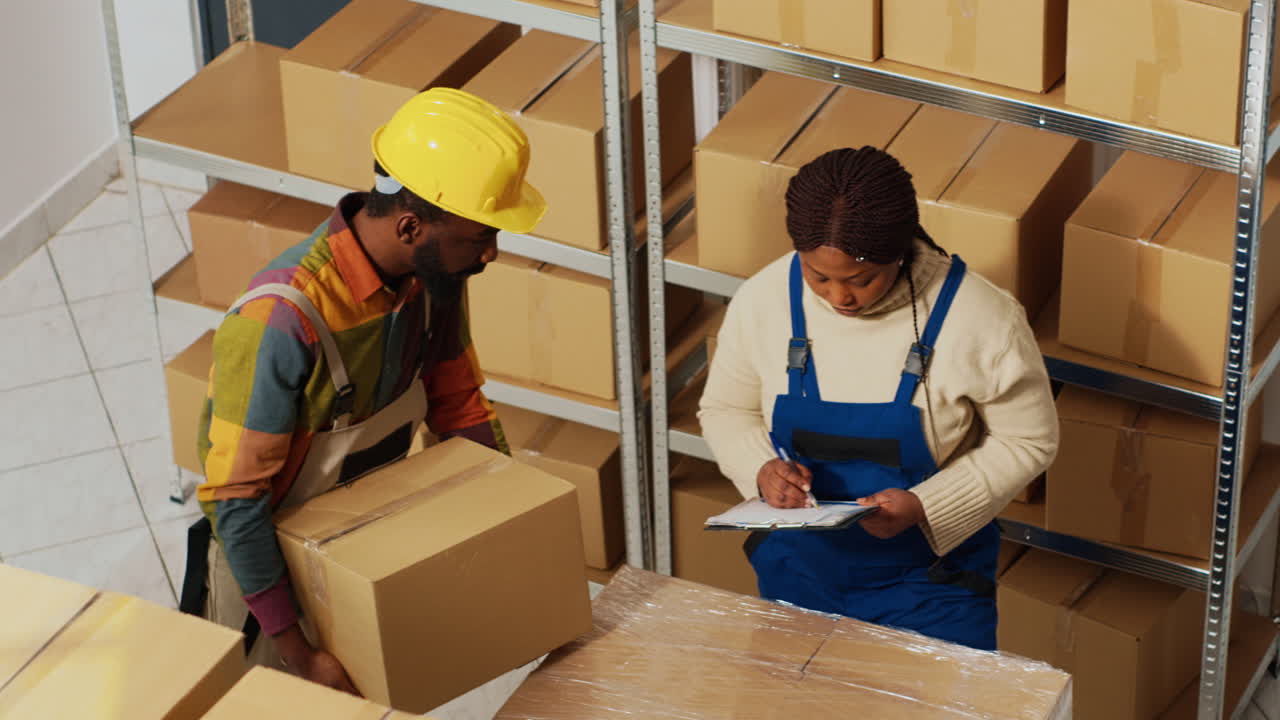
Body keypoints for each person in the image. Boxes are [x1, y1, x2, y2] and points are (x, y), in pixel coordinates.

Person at [179, 88, 546, 692]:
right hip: (268, 586)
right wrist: (301, 654)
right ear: (410, 225)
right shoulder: (281, 318)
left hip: (358, 547)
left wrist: (509, 525)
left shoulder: (433, 279)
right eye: (480, 235)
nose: (492, 252)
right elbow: (236, 500)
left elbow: (459, 404)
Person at [698, 146, 1058, 650]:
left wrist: (926, 505)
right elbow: (725, 409)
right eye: (818, 277)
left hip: (932, 589)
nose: (838, 298)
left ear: (898, 251)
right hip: (796, 577)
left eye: (860, 279)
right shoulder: (764, 299)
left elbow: (1029, 441)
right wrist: (760, 468)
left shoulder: (982, 318)